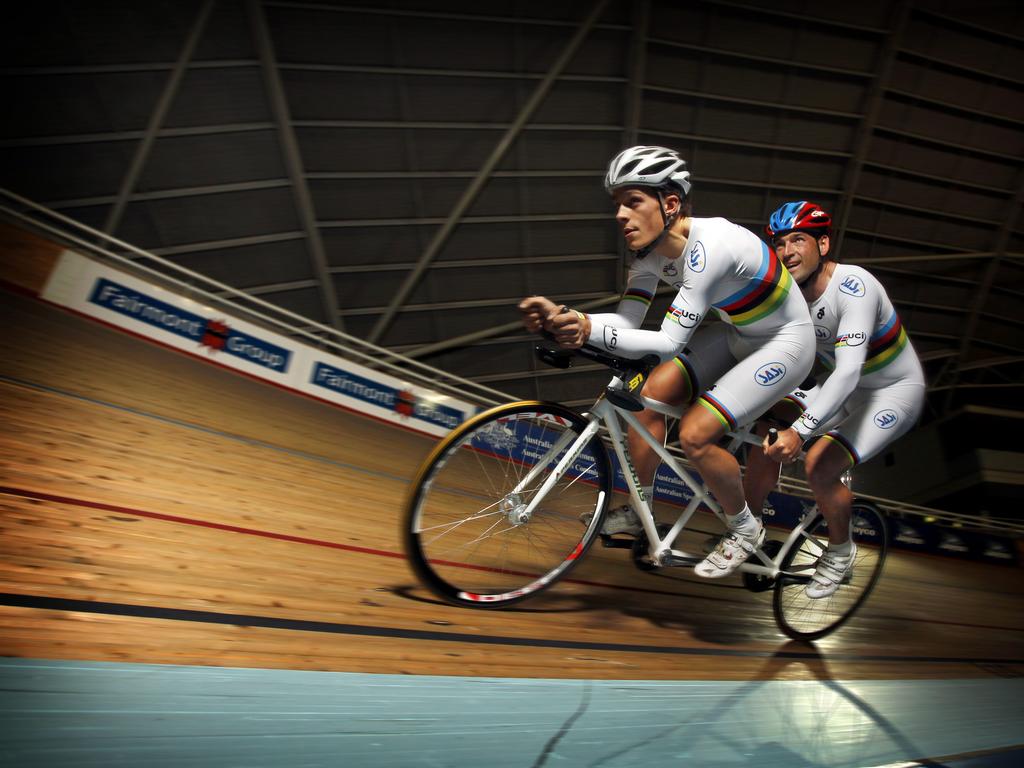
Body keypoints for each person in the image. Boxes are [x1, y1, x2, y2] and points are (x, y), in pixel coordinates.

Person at [519, 146, 815, 578]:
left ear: (670, 204)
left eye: (633, 201)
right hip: (738, 335)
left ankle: (745, 528)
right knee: (649, 394)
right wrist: (567, 316)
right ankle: (643, 511)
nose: (620, 215)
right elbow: (626, 321)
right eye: (617, 204)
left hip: (785, 343)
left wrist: (585, 325)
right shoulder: (647, 256)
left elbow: (669, 341)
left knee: (696, 433)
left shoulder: (710, 247)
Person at [746, 201, 926, 598]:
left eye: (798, 240)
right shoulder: (790, 298)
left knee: (819, 464)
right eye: (778, 243)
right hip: (846, 388)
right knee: (767, 425)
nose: (787, 252)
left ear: (823, 244)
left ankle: (841, 550)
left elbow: (847, 371)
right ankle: (748, 528)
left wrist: (802, 430)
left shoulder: (854, 286)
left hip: (892, 393)